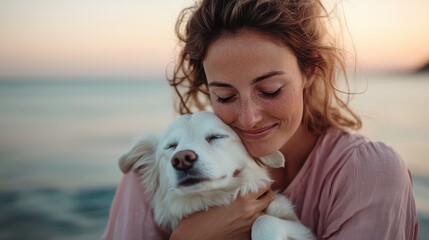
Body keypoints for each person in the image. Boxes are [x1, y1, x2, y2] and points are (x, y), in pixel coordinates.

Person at [102, 0, 419, 239]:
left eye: (270, 90)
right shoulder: (154, 174)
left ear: (310, 70)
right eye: (225, 96)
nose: (249, 118)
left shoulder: (369, 172)